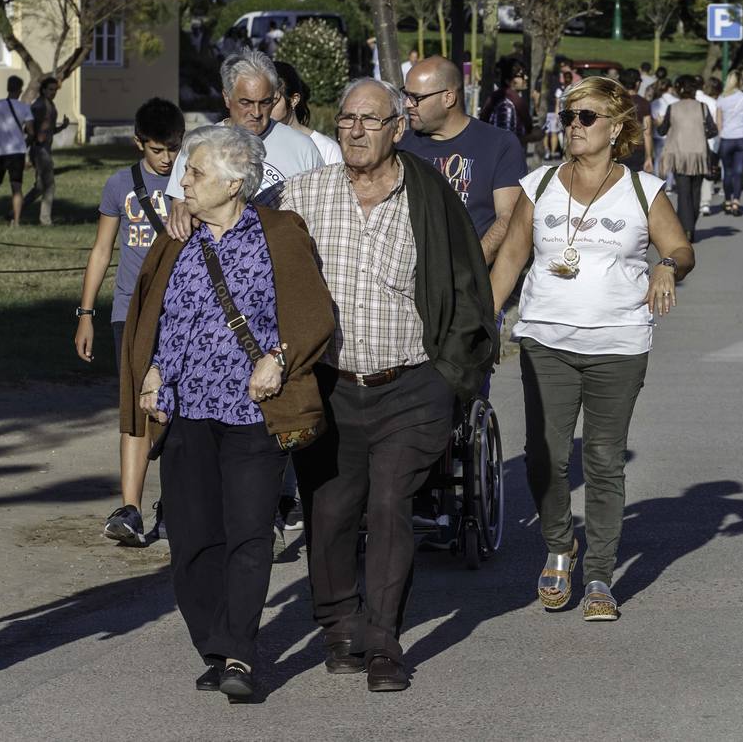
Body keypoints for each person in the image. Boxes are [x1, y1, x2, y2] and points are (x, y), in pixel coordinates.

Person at [264, 78, 496, 693]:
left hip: (412, 381)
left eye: (370, 120)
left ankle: (385, 639)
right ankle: (338, 625)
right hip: (332, 384)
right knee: (332, 509)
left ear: (398, 127)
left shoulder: (428, 193)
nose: (356, 131)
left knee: (391, 504)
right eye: (345, 120)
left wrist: (452, 372)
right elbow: (236, 227)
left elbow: (466, 281)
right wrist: (187, 208)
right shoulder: (300, 194)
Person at [120, 124, 335, 700]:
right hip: (185, 412)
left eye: (195, 173)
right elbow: (159, 315)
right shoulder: (177, 237)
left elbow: (314, 313)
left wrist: (279, 359)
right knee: (190, 539)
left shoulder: (280, 233)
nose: (182, 182)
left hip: (250, 412)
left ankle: (239, 654)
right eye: (186, 171)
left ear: (235, 181)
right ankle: (214, 645)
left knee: (246, 535)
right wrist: (154, 371)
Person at [489, 76, 694, 621]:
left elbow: (679, 245)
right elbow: (510, 258)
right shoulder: (538, 184)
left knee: (603, 460)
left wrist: (668, 267)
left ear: (616, 126)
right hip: (545, 339)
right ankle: (560, 544)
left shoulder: (642, 189)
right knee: (545, 457)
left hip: (619, 342)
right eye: (567, 115)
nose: (571, 126)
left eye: (585, 117)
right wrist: (485, 318)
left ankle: (600, 574)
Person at [77, 98, 184, 546]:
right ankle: (131, 509)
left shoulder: (192, 183)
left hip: (180, 311)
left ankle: (177, 502)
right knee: (136, 409)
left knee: (180, 410)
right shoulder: (119, 184)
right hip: (129, 312)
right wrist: (86, 314)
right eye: (158, 149)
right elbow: (102, 251)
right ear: (139, 142)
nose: (167, 158)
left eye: (174, 148)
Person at [164, 49, 324, 239]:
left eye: (265, 102)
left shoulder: (303, 148)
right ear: (226, 98)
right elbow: (180, 208)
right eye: (246, 102)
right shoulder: (199, 146)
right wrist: (182, 210)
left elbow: (321, 215)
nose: (256, 112)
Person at [399, 55, 528, 265]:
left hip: (468, 283)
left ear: (448, 98)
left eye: (416, 97)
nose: (407, 104)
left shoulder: (499, 145)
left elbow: (508, 218)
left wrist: (468, 273)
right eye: (406, 94)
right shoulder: (401, 145)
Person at [656, 75, 716, 242]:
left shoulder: (672, 108)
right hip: (699, 155)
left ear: (679, 88)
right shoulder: (703, 107)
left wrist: (659, 123)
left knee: (683, 193)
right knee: (695, 192)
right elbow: (713, 131)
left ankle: (686, 229)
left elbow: (662, 131)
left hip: (679, 155)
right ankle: (690, 227)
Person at [0, 76, 34, 227]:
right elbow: (31, 131)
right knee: (16, 187)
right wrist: (24, 141)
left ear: (7, 88)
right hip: (16, 151)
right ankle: (16, 221)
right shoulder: (24, 107)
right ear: (20, 90)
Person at [272, 60, 342, 165]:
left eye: (272, 101)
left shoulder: (326, 149)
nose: (262, 109)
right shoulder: (254, 143)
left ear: (294, 100)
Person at [23, 76, 70, 225]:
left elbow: (48, 130)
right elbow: (29, 127)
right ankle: (45, 220)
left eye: (55, 90)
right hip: (40, 149)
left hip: (44, 148)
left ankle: (14, 211)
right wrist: (34, 142)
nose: (53, 92)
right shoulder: (39, 106)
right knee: (50, 185)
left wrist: (62, 127)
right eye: (50, 89)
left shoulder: (50, 105)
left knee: (40, 187)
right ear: (43, 90)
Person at [716, 70, 743, 216]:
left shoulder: (722, 98)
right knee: (739, 172)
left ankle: (727, 201)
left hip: (727, 138)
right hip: (742, 139)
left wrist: (721, 135)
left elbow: (718, 121)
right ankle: (736, 202)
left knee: (727, 172)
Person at [480, 58, 532, 144]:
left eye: (525, 74)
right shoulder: (506, 105)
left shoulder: (511, 100)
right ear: (508, 81)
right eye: (521, 75)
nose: (526, 78)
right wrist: (532, 137)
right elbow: (503, 141)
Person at [618, 68, 654, 174]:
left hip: (618, 147)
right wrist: (649, 157)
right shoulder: (643, 103)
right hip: (637, 149)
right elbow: (647, 133)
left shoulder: (616, 101)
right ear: (637, 83)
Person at [696, 76, 722, 216]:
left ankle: (694, 200)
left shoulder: (688, 102)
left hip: (691, 143)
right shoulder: (713, 102)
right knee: (707, 172)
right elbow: (717, 124)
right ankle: (705, 203)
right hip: (710, 142)